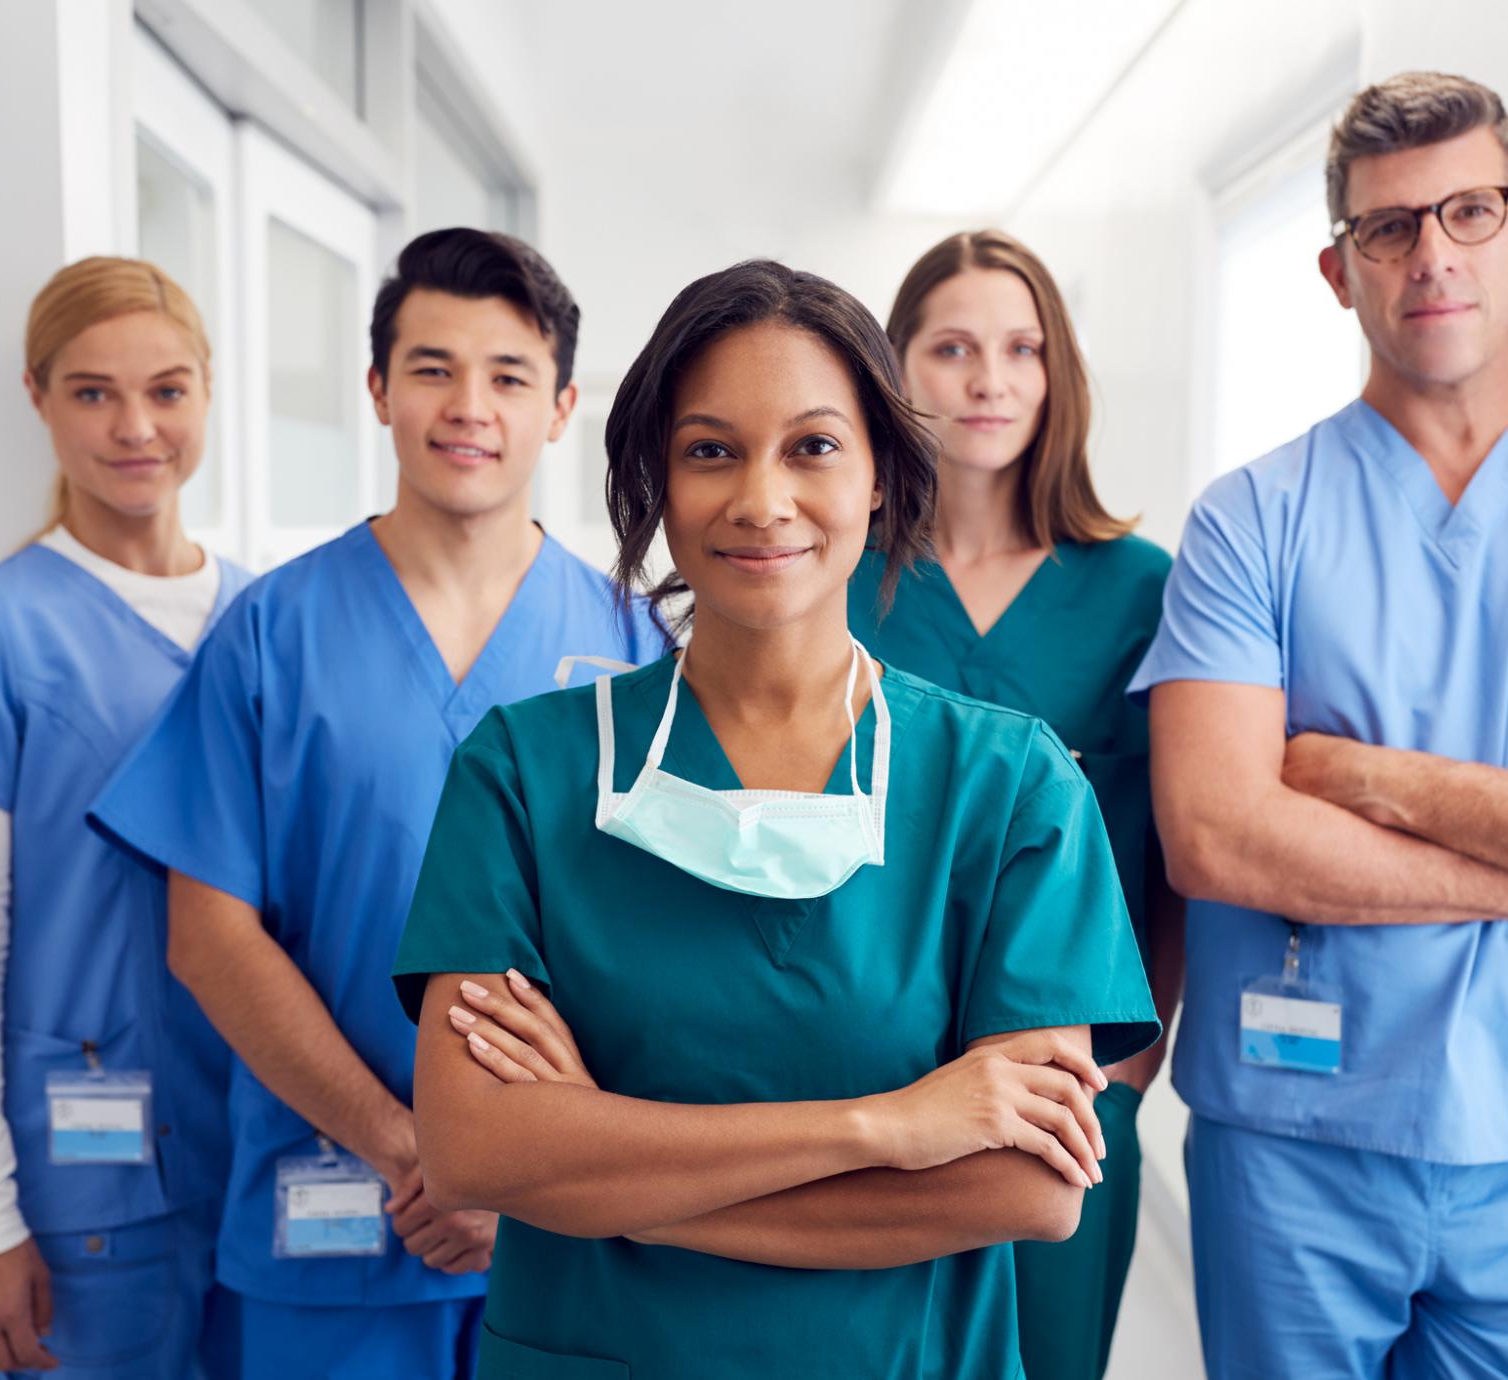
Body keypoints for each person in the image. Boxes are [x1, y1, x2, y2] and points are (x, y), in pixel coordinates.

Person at [390, 259, 1159, 1379]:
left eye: (812, 447)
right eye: (709, 450)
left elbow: (1027, 1187)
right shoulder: (523, 770)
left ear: (884, 478)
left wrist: (611, 1177)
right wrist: (887, 1127)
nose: (760, 499)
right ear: (656, 477)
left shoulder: (1009, 788)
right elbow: (472, 1149)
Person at [1132, 71, 1508, 1379]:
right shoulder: (1251, 519)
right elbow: (1219, 836)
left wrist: (1366, 781)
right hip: (1287, 1154)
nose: (1432, 255)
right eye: (1388, 228)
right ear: (1339, 271)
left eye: (1469, 211)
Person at [87, 228, 664, 1379]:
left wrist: (517, 1171)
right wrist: (413, 1150)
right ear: (377, 392)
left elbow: (663, 951)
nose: (469, 406)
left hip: (563, 1231)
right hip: (334, 1208)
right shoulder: (272, 632)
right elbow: (208, 937)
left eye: (508, 375)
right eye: (432, 369)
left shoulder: (635, 644)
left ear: (560, 407)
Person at [0, 257, 251, 1377]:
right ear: (37, 398)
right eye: (92, 392)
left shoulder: (266, 616)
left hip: (271, 1158)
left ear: (206, 394)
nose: (135, 427)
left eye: (167, 389)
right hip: (85, 1190)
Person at [849, 228, 1184, 1380]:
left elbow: (1170, 856)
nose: (989, 380)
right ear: (893, 370)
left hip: (1065, 1095)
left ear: (1058, 376)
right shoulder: (834, 577)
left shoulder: (1142, 591)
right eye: (951, 348)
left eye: (1020, 348)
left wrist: (1130, 1075)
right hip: (858, 1082)